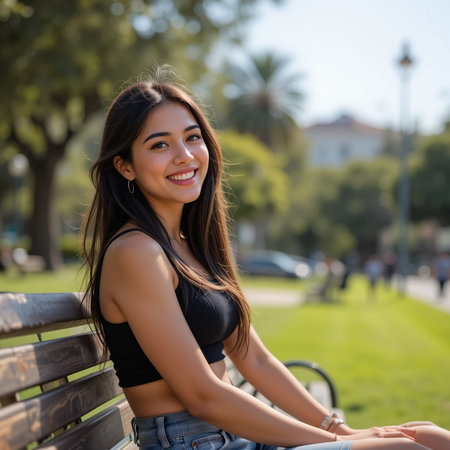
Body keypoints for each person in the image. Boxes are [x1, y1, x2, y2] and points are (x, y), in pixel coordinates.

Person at [81, 72, 450, 450]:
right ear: (125, 166)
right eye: (160, 145)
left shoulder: (187, 245)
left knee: (430, 437)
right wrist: (330, 442)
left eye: (192, 138)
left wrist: (339, 431)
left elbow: (253, 359)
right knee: (407, 448)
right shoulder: (137, 253)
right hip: (194, 442)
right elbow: (202, 395)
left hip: (231, 435)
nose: (185, 156)